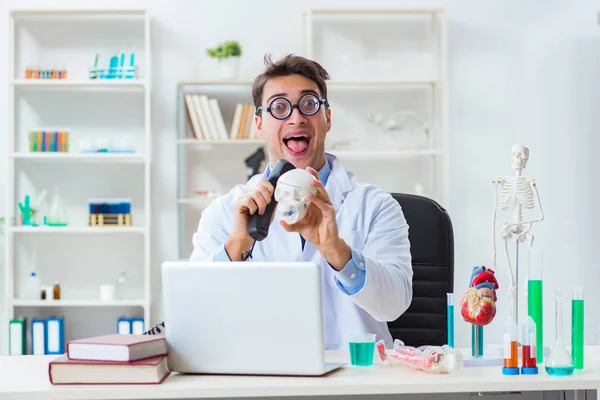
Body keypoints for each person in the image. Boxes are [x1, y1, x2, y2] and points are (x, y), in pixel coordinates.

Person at [189, 54, 413, 350]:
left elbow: (394, 304)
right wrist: (236, 248)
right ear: (259, 123)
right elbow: (194, 312)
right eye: (279, 107)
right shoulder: (224, 213)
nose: (296, 118)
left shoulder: (375, 205)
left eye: (309, 104)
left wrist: (337, 250)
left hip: (355, 381)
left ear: (327, 118)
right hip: (263, 379)